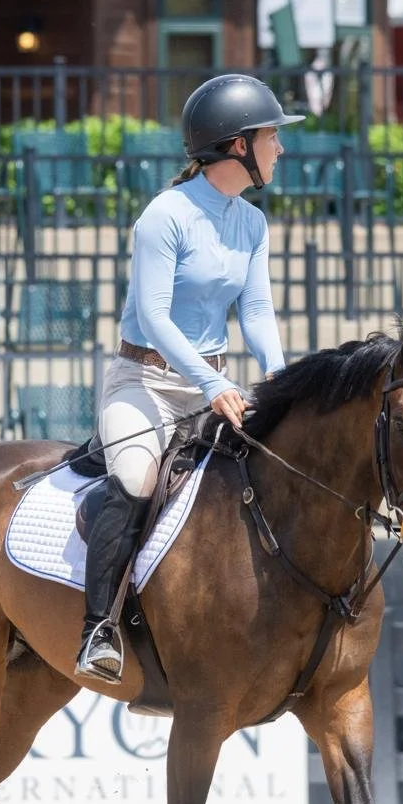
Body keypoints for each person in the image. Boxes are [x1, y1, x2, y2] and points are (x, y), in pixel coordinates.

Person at [74, 73, 303, 684]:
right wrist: (209, 384)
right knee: (136, 476)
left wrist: (279, 381)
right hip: (144, 382)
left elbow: (255, 313)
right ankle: (99, 626)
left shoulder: (251, 224)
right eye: (271, 136)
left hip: (213, 384)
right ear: (237, 146)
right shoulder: (164, 216)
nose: (280, 147)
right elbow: (154, 315)